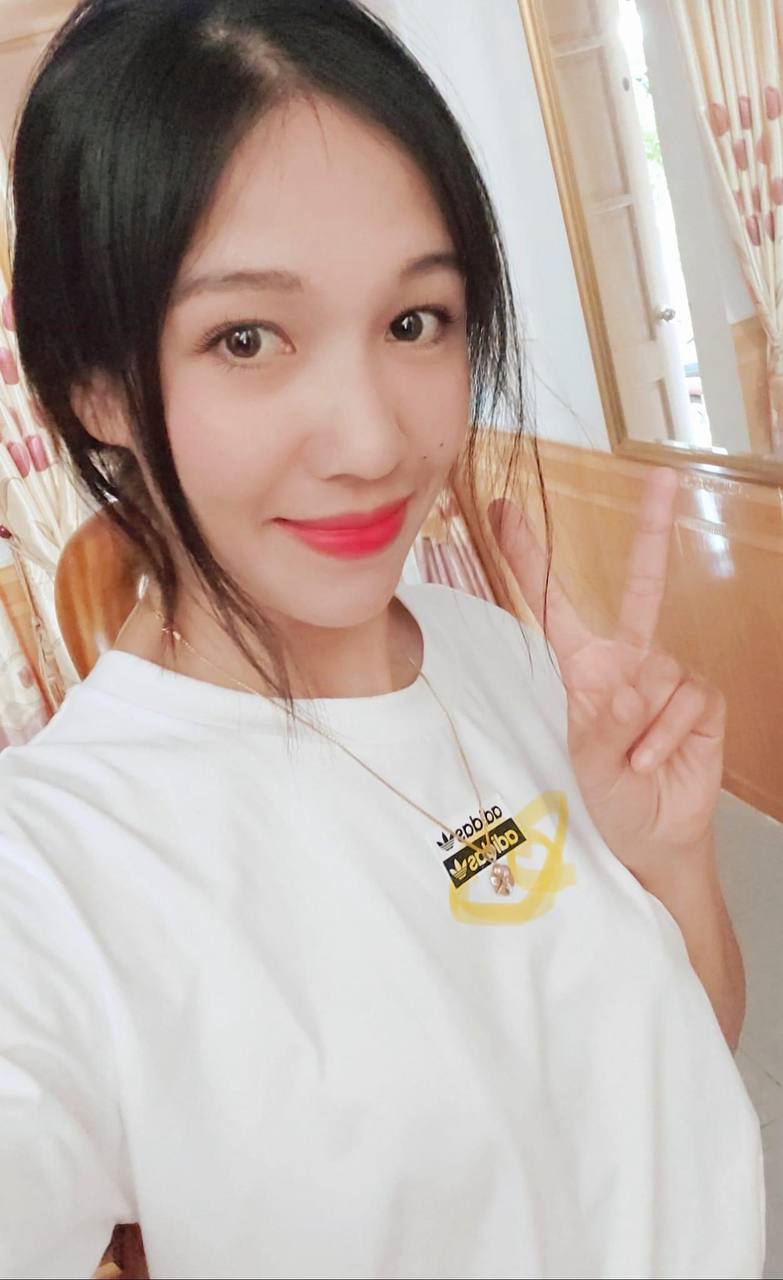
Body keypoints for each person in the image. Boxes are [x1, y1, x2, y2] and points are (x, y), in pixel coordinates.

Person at [1, 1, 764, 1277]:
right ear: (93, 383)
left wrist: (670, 858)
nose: (371, 442)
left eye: (416, 320)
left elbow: (679, 1074)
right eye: (246, 337)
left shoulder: (503, 656)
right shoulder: (52, 875)